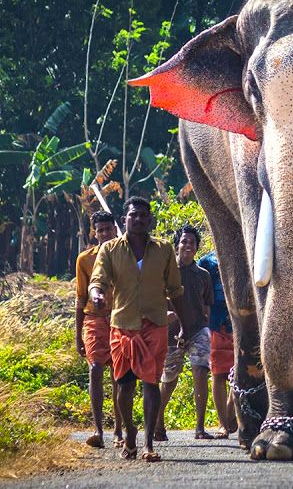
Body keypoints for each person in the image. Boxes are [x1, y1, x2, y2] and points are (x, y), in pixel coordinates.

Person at [89, 197, 186, 462]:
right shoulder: (109, 250)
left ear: (150, 220)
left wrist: (186, 325)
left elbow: (175, 291)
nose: (139, 219)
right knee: (124, 384)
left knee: (151, 382)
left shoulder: (164, 249)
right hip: (122, 326)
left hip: (155, 325)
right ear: (125, 219)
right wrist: (97, 294)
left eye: (144, 215)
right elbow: (97, 281)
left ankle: (148, 444)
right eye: (134, 215)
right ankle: (129, 432)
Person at [154, 224, 215, 441]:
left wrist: (204, 321)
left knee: (201, 373)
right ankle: (157, 422)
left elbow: (207, 304)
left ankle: (199, 428)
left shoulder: (203, 275)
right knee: (169, 379)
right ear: (177, 245)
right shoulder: (166, 273)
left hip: (198, 331)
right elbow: (157, 301)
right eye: (184, 241)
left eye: (192, 242)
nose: (188, 245)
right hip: (171, 335)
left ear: (197, 248)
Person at [75, 210, 123, 449]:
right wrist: (77, 335)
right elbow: (81, 297)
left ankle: (118, 429)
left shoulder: (125, 254)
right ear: (94, 233)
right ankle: (98, 430)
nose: (104, 233)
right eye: (100, 230)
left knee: (119, 374)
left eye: (108, 229)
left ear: (115, 229)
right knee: (95, 368)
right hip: (93, 319)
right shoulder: (84, 259)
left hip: (119, 319)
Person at [198, 251, 238, 439]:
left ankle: (231, 416)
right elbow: (199, 290)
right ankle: (223, 423)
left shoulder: (243, 254)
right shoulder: (206, 261)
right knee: (218, 374)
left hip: (240, 323)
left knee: (238, 374)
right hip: (215, 323)